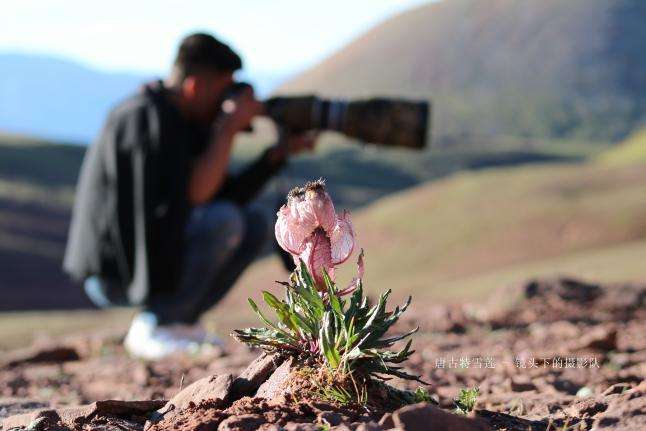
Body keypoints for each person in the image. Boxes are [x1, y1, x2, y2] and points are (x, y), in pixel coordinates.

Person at [63, 33, 317, 360]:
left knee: (252, 221)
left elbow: (223, 194)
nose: (225, 102)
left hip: (153, 259)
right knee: (224, 221)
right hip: (117, 273)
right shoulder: (143, 118)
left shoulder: (182, 120)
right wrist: (226, 129)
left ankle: (180, 321)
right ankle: (158, 324)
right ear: (195, 86)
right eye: (222, 89)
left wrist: (276, 156)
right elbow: (197, 198)